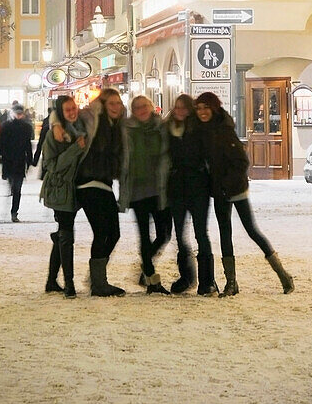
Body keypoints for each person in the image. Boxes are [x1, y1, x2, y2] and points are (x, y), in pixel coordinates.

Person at [194, 91, 294, 297]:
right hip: (219, 191)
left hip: (235, 188)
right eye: (199, 108)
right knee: (225, 233)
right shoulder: (202, 131)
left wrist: (227, 183)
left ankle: (283, 274)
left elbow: (241, 162)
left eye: (205, 107)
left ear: (214, 108)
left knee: (251, 230)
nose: (202, 112)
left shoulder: (224, 129)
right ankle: (232, 282)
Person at [51, 86, 126, 297]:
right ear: (102, 103)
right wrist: (55, 123)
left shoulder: (119, 122)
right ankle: (98, 283)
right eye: (111, 103)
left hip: (105, 183)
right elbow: (63, 113)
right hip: (87, 181)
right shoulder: (90, 116)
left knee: (114, 233)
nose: (115, 107)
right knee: (102, 232)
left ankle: (96, 278)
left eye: (118, 103)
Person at [163, 93, 217, 296]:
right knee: (179, 234)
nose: (180, 111)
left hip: (197, 186)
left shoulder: (199, 130)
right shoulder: (169, 130)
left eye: (183, 108)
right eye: (177, 108)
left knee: (201, 233)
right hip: (176, 187)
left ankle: (207, 280)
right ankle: (186, 276)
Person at [119, 95, 171, 294]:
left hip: (160, 188)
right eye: (137, 107)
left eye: (144, 106)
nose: (141, 110)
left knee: (165, 234)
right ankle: (151, 280)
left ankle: (145, 269)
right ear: (133, 110)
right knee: (144, 235)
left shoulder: (161, 127)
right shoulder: (126, 129)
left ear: (151, 107)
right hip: (137, 190)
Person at [41, 94, 88, 298]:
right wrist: (75, 150)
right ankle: (69, 284)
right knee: (67, 235)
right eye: (67, 109)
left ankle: (52, 280)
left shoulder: (81, 127)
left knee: (63, 234)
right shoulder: (54, 135)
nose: (72, 112)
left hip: (77, 188)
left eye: (74, 108)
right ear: (60, 112)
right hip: (60, 189)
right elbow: (51, 166)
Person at [0, 103, 34, 222]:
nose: (18, 115)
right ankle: (14, 209)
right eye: (17, 113)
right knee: (14, 186)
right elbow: (0, 144)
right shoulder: (7, 126)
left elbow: (28, 145)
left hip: (17, 161)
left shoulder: (24, 127)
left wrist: (29, 161)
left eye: (20, 113)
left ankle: (14, 212)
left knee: (17, 188)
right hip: (10, 161)